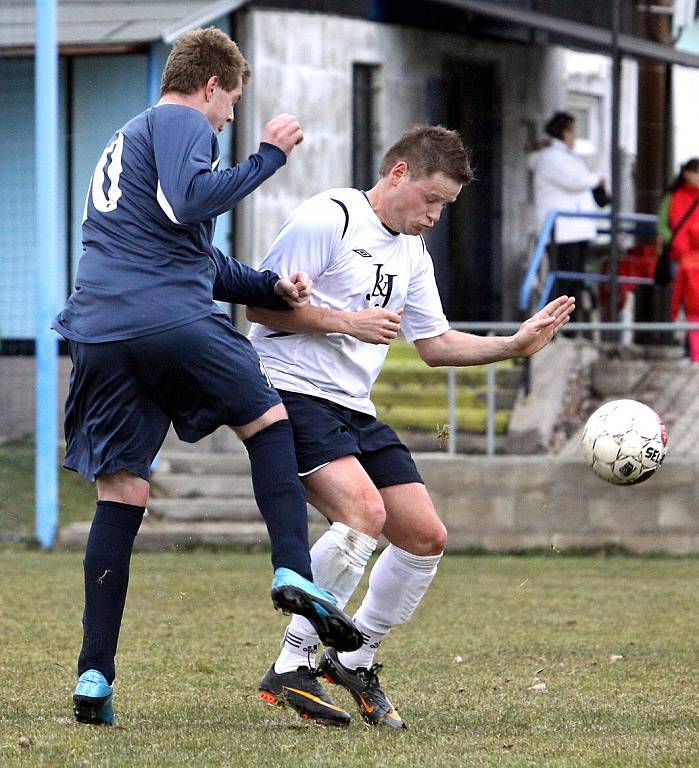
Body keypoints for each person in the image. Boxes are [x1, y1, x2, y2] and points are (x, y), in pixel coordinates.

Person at [52, 27, 361, 727]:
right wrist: (268, 157)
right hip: (170, 321)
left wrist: (271, 287)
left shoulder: (126, 141)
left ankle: (95, 678)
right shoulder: (180, 119)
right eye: (230, 104)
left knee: (121, 491)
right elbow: (196, 201)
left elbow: (192, 253)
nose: (226, 118)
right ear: (213, 84)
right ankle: (291, 568)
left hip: (98, 332)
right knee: (267, 419)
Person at [246, 125, 575, 729]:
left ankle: (354, 658)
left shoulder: (412, 253)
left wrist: (515, 344)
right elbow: (258, 306)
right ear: (398, 173)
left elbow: (435, 344)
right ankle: (291, 663)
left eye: (445, 207)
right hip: (287, 388)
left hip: (353, 405)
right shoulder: (330, 218)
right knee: (363, 517)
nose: (434, 216)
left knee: (425, 537)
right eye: (431, 200)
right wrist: (347, 322)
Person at [527, 111, 607, 313]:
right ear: (563, 132)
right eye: (571, 131)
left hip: (576, 230)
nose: (574, 136)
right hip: (563, 232)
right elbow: (575, 181)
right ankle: (555, 326)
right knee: (563, 282)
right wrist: (596, 179)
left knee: (574, 283)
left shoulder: (566, 157)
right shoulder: (550, 157)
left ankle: (570, 326)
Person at [671, 227, 699, 363]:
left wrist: (674, 311)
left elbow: (678, 290)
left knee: (694, 338)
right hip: (692, 307)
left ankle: (696, 363)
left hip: (692, 307)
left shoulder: (686, 261)